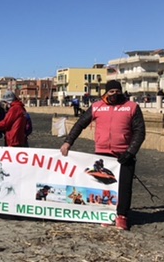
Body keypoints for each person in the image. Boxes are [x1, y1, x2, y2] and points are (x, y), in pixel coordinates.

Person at [60, 80, 145, 230]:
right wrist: (68, 142)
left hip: (124, 154)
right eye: (111, 91)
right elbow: (80, 124)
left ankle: (122, 216)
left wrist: (130, 151)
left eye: (117, 91)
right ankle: (105, 214)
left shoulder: (131, 107)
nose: (114, 94)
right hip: (102, 154)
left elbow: (140, 132)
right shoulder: (97, 107)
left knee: (124, 187)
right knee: (103, 186)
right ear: (106, 92)